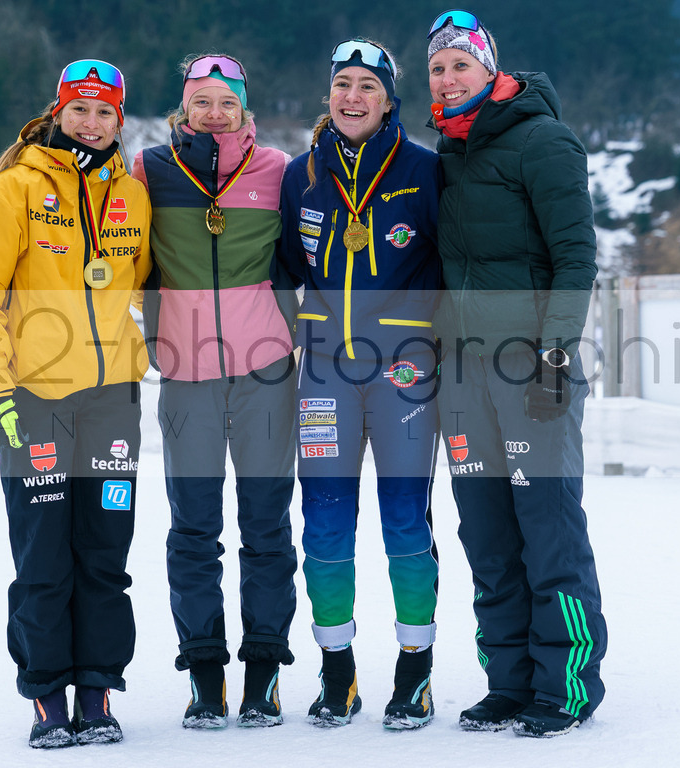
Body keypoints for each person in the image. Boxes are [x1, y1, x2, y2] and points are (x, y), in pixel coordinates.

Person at [0, 59, 151, 748]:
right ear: (57, 112)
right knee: (43, 557)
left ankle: (96, 691)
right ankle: (46, 697)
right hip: (34, 401)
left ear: (119, 121)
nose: (91, 122)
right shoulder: (10, 192)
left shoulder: (133, 194)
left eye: (104, 112)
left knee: (104, 554)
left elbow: (146, 284)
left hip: (111, 403)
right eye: (79, 109)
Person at [425, 10, 608, 738]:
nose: (448, 77)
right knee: (489, 538)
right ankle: (507, 681)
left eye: (459, 65)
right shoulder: (447, 152)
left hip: (532, 369)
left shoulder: (544, 140)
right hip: (464, 375)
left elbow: (577, 257)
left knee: (548, 531)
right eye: (437, 68)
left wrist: (557, 353)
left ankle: (567, 683)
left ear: (489, 68)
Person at [274, 38, 442, 729]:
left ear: (388, 99)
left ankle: (415, 672)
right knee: (325, 526)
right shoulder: (300, 175)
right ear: (330, 95)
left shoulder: (427, 171)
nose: (353, 97)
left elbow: (447, 268)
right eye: (343, 84)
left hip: (404, 374)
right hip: (325, 377)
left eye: (367, 87)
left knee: (406, 524)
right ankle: (336, 672)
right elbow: (285, 268)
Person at [131, 53, 298, 730]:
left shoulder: (278, 169)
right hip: (187, 374)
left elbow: (298, 256)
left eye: (227, 102)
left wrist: (285, 331)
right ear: (184, 108)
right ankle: (204, 675)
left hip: (265, 374)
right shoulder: (150, 169)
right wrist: (156, 335)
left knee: (265, 527)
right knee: (194, 529)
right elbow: (129, 258)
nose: (215, 113)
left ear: (244, 110)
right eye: (202, 102)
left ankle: (262, 675)